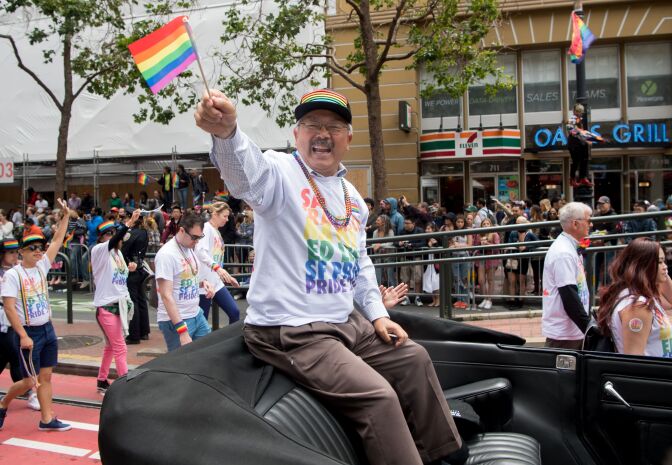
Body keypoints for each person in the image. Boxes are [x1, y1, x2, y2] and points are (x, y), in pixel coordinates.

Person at [195, 88, 466, 465]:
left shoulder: (352, 195)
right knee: (379, 396)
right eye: (312, 125)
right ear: (296, 134)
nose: (322, 134)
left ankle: (446, 455)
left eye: (334, 127)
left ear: (348, 139)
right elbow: (244, 174)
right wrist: (227, 132)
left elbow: (359, 260)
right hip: (291, 331)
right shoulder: (278, 172)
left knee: (415, 359)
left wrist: (378, 315)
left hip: (347, 324)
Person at [0, 199, 72, 432]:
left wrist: (66, 216)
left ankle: (47, 419)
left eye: (40, 247)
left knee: (46, 376)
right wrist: (22, 335)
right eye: (33, 248)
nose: (39, 251)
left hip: (47, 329)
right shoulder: (13, 275)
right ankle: (3, 403)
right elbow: (9, 308)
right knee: (31, 381)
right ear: (22, 252)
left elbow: (58, 240)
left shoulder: (42, 266)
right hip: (28, 331)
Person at [91, 211, 141, 393]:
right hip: (106, 307)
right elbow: (113, 241)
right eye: (112, 234)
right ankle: (125, 388)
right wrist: (129, 223)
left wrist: (130, 267)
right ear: (104, 237)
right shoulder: (99, 250)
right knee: (120, 347)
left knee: (111, 347)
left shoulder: (118, 254)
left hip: (119, 305)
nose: (119, 239)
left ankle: (102, 380)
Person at [596, 239, 672, 357]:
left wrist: (659, 272)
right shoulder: (637, 307)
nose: (665, 267)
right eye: (660, 262)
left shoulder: (641, 296)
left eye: (664, 261)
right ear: (643, 266)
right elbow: (634, 362)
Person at [155, 213, 215, 351]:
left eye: (200, 237)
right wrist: (182, 331)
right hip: (177, 320)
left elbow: (185, 278)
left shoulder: (188, 247)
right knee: (180, 366)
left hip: (195, 313)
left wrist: (202, 283)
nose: (197, 241)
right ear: (181, 230)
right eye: (194, 237)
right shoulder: (167, 255)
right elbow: (166, 295)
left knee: (208, 353)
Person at [541, 202, 592, 349]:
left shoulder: (570, 247)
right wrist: (589, 329)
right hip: (564, 336)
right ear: (575, 224)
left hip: (570, 332)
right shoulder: (564, 253)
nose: (591, 224)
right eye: (588, 220)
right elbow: (569, 298)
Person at [0, 238, 40, 411]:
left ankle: (30, 392)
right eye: (10, 252)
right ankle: (30, 393)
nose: (14, 255)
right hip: (4, 319)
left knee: (9, 355)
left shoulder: (20, 270)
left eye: (16, 251)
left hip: (18, 319)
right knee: (15, 355)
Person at [195, 201, 240, 323]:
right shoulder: (206, 228)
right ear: (214, 214)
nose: (226, 220)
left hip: (216, 281)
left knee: (234, 312)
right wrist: (217, 268)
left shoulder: (216, 230)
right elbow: (200, 252)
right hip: (204, 283)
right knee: (201, 323)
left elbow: (216, 258)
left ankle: (230, 341)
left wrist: (227, 276)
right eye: (224, 216)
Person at [121, 213, 151, 344]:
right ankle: (144, 331)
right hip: (140, 268)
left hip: (131, 268)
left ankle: (134, 335)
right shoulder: (144, 232)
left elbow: (123, 250)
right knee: (141, 300)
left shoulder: (131, 233)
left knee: (133, 302)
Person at [397, 218, 426, 307]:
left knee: (418, 278)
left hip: (416, 257)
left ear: (413, 223)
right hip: (405, 257)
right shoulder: (402, 231)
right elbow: (395, 242)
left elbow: (423, 243)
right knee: (405, 278)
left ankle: (418, 297)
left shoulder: (419, 231)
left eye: (407, 223)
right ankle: (406, 297)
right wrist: (399, 243)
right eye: (404, 223)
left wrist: (412, 245)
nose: (405, 225)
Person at [474, 217, 500, 310]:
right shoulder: (478, 235)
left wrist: (488, 244)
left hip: (491, 258)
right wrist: (480, 245)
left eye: (487, 224)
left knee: (490, 280)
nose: (485, 225)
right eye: (484, 224)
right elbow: (475, 246)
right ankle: (484, 298)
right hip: (481, 257)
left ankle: (489, 300)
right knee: (481, 280)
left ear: (490, 225)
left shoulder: (494, 234)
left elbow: (498, 247)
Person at [371, 214, 397, 288]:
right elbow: (373, 244)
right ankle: (379, 294)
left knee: (390, 276)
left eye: (378, 220)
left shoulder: (390, 231)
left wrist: (380, 245)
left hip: (388, 256)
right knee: (378, 276)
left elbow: (390, 243)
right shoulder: (375, 232)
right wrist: (376, 245)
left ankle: (394, 292)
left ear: (383, 222)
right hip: (378, 256)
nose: (376, 221)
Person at [422, 223, 440, 307]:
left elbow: (439, 248)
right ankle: (433, 300)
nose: (427, 230)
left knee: (436, 282)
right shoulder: (425, 239)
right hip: (428, 263)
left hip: (435, 264)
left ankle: (438, 300)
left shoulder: (437, 238)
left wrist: (434, 244)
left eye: (429, 228)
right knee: (430, 281)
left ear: (433, 229)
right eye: (427, 228)